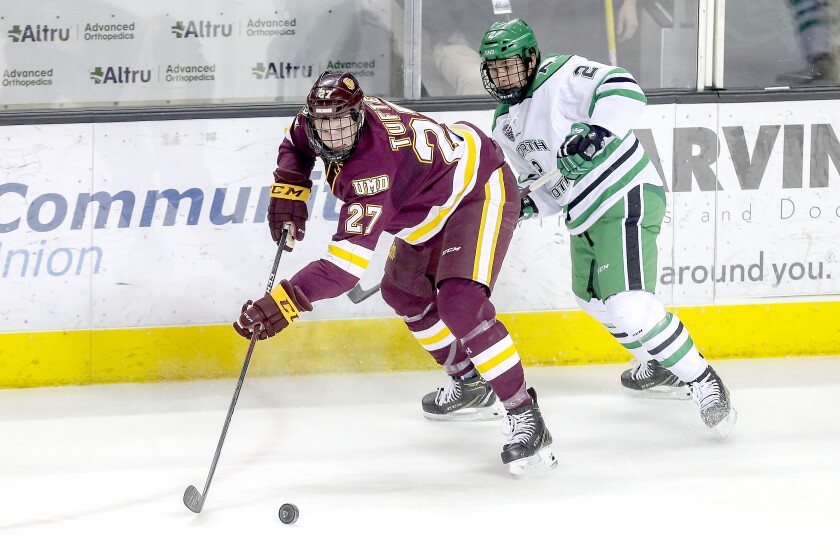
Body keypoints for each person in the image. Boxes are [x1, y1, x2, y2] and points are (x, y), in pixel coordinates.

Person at [233, 70, 557, 474]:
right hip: (428, 198)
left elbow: (342, 271)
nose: (332, 135)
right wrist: (289, 189)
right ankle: (471, 383)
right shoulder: (317, 119)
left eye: (342, 125)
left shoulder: (371, 169)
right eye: (323, 124)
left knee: (460, 303)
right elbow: (295, 143)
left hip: (478, 188)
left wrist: (283, 302)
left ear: (359, 116)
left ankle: (525, 414)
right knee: (404, 294)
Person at [477, 18, 737, 432]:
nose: (503, 75)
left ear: (531, 58)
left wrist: (596, 131)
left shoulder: (562, 74)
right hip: (583, 215)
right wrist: (523, 207)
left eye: (510, 64)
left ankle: (702, 378)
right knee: (593, 301)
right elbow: (547, 185)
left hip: (624, 194)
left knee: (629, 307)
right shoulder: (505, 124)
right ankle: (660, 361)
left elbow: (624, 87)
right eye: (495, 69)